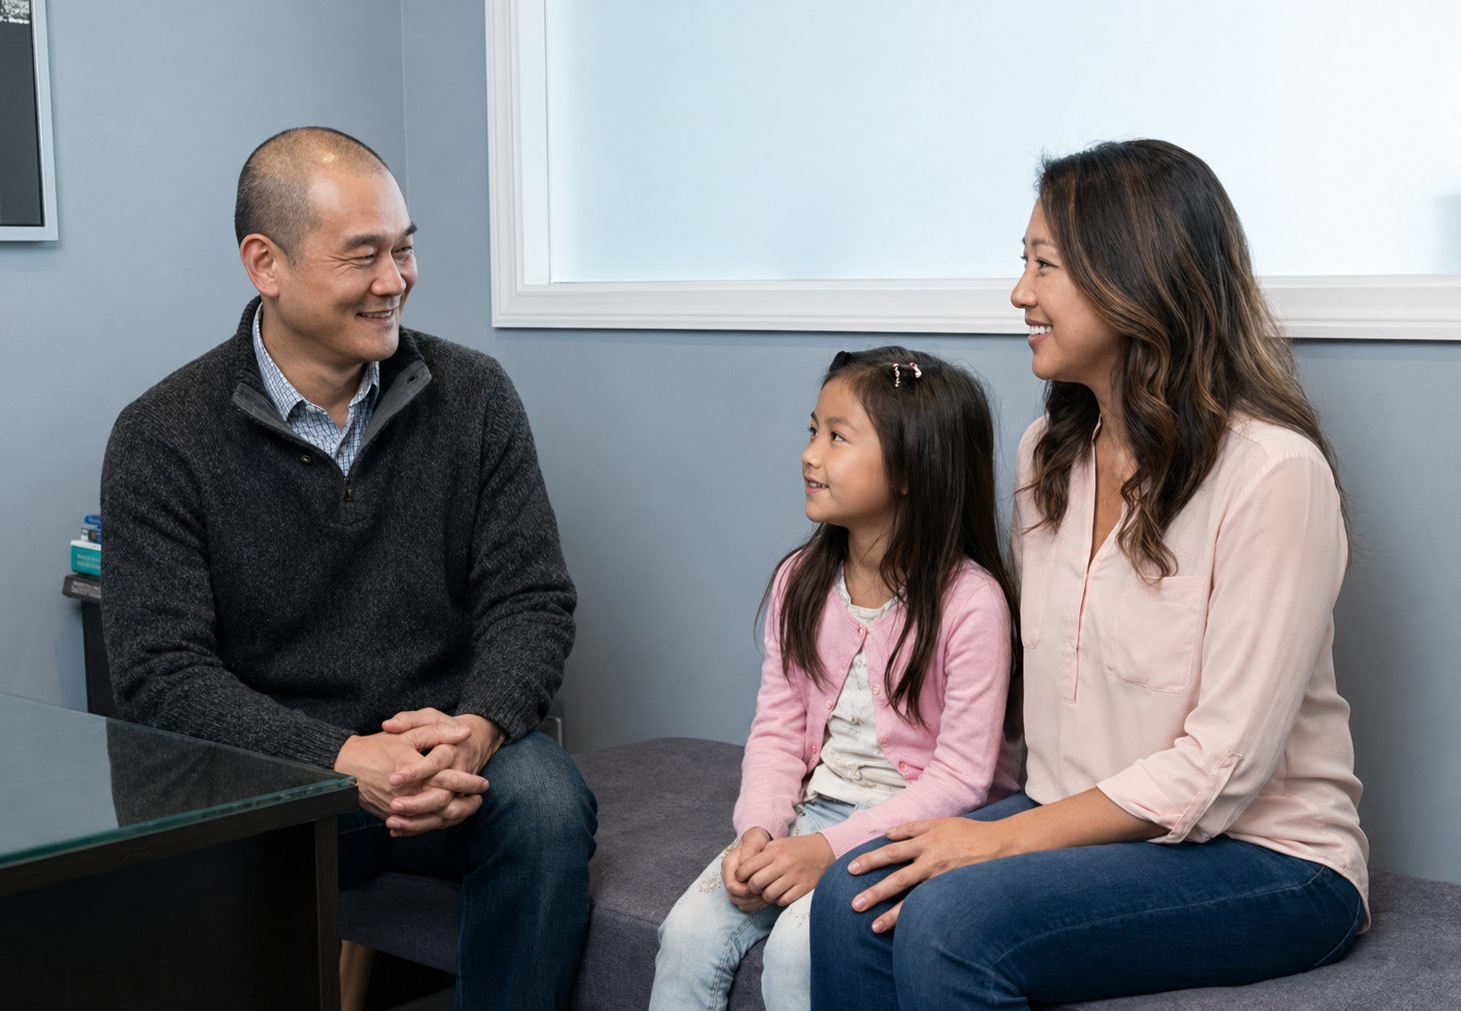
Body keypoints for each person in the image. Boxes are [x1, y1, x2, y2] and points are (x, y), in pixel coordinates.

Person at [809, 140, 1368, 1010]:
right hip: (1077, 819)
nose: (1019, 292)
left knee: (951, 920)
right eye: (1023, 262)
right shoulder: (1048, 455)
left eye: (1044, 265)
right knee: (852, 895)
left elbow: (1219, 769)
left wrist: (998, 842)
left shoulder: (1273, 474)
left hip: (1269, 856)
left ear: (1131, 276)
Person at [100, 127, 596, 1011]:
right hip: (273, 775)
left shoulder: (475, 395)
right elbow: (160, 675)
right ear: (266, 263)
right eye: (363, 256)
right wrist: (337, 758)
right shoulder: (162, 436)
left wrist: (479, 726)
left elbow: (531, 597)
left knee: (548, 804)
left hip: (445, 755)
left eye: (404, 250)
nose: (394, 280)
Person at [650, 348, 1018, 1011]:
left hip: (917, 829)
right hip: (812, 811)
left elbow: (962, 779)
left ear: (910, 468)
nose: (809, 454)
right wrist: (759, 830)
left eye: (837, 437)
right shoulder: (800, 580)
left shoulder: (972, 603)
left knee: (800, 947)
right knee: (687, 934)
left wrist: (826, 850)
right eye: (812, 430)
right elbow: (776, 730)